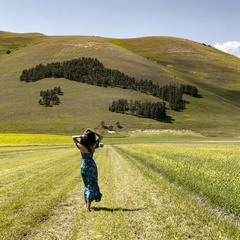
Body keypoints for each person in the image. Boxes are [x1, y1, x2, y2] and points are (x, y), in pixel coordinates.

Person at [72, 128, 103, 212]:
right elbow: (101, 136)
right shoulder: (93, 145)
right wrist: (92, 131)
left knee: (86, 185)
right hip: (92, 166)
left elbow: (73, 137)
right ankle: (88, 206)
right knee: (92, 184)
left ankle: (87, 205)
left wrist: (81, 136)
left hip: (84, 166)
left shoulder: (81, 146)